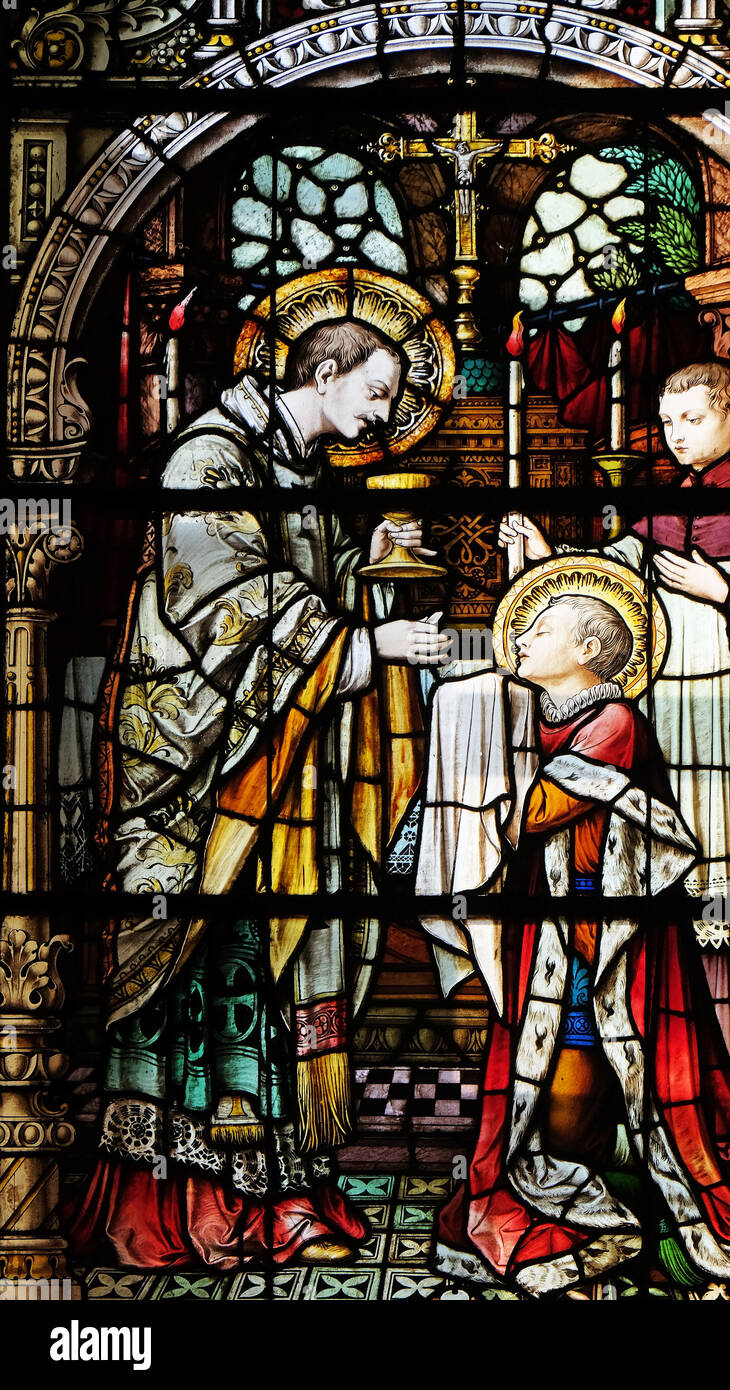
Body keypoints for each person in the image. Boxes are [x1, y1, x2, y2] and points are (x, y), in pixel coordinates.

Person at [69, 318, 450, 1270]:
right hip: (201, 770)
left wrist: (370, 573)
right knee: (214, 969)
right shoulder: (210, 457)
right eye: (376, 389)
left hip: (273, 764)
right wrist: (368, 649)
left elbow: (301, 593)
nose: (387, 411)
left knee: (276, 972)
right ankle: (193, 1202)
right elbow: (226, 603)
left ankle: (279, 1185)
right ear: (322, 374)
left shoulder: (302, 473)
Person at [432, 576, 730, 1299]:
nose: (520, 636)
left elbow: (531, 812)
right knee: (550, 1102)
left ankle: (645, 1221)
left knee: (619, 1084)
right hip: (545, 938)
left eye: (542, 626)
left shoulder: (614, 720)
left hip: (611, 945)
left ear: (589, 649)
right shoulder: (531, 714)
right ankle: (591, 1218)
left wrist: (479, 747)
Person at [499, 361, 730, 1125]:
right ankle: (679, 1076)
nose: (676, 435)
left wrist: (729, 594)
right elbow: (602, 592)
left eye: (692, 419)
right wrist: (543, 561)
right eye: (668, 423)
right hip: (671, 727)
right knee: (676, 883)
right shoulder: (662, 514)